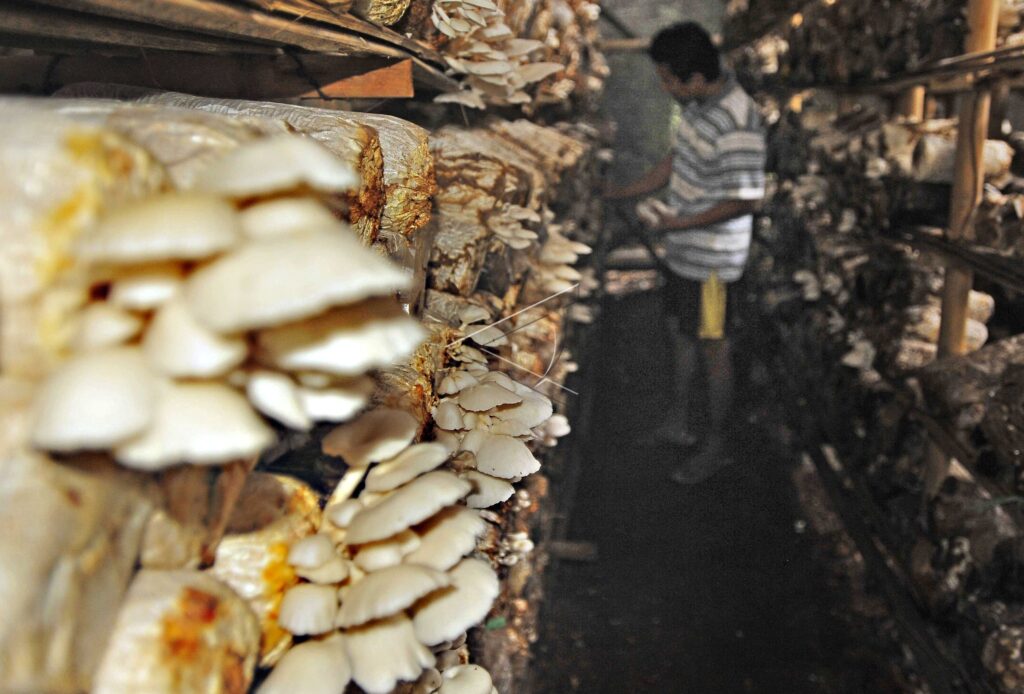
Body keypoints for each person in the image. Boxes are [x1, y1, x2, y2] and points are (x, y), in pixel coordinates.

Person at [604, 21, 766, 484]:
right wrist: (625, 191)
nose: (664, 87)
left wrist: (679, 222)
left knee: (714, 346)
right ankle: (678, 423)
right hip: (683, 257)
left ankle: (715, 447)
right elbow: (678, 159)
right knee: (681, 335)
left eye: (668, 79)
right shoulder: (697, 106)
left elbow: (746, 198)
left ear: (695, 78)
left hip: (714, 269)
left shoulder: (739, 119)